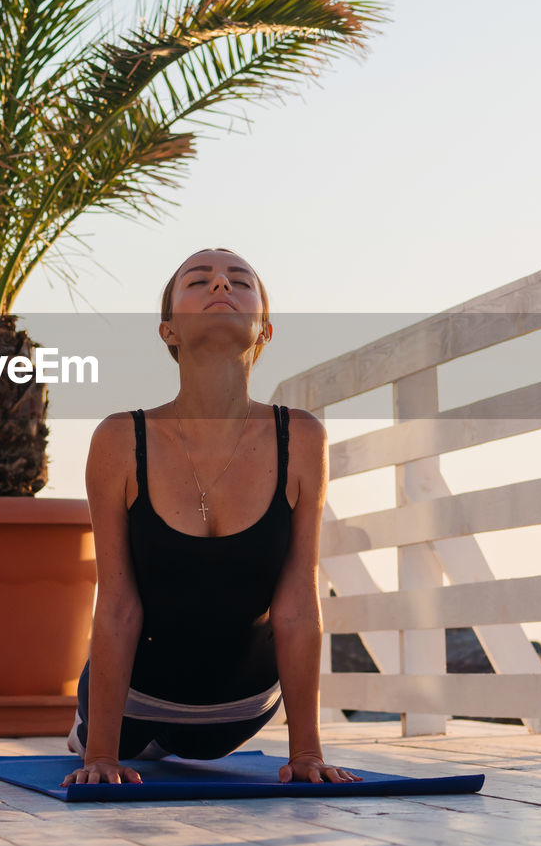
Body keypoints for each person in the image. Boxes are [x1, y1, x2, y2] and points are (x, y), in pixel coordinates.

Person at [61, 248, 361, 787]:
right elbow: (117, 601)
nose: (221, 284)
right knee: (110, 746)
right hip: (136, 705)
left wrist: (307, 752)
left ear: (264, 331)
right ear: (168, 330)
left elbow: (296, 601)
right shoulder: (120, 439)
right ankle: (90, 732)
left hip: (242, 708)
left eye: (240, 281)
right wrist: (101, 756)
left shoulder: (302, 438)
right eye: (199, 281)